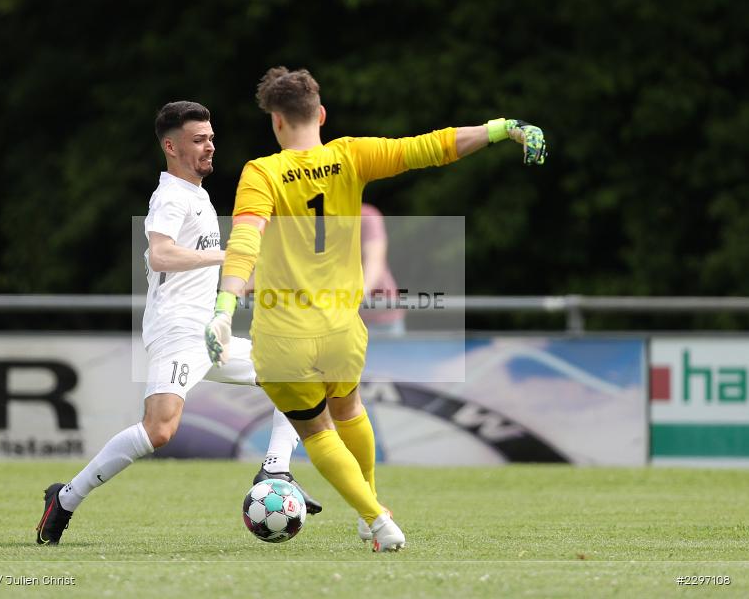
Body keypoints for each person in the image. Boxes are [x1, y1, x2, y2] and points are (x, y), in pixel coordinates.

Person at [205, 67, 546, 552]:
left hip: (283, 334)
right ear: (320, 114)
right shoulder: (351, 155)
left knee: (317, 431)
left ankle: (377, 519)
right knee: (350, 409)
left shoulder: (262, 172)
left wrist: (224, 304)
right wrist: (502, 128)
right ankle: (372, 513)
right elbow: (432, 146)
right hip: (343, 328)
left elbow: (244, 239)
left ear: (276, 123)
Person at [36, 101, 321, 546]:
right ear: (171, 146)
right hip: (177, 329)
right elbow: (160, 254)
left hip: (208, 331)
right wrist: (229, 254)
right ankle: (65, 499)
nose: (210, 146)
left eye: (210, 137)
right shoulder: (170, 196)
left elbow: (202, 267)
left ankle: (275, 469)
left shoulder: (198, 195)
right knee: (159, 430)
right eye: (198, 139)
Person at [360, 203, 405, 336]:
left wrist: (359, 294)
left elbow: (374, 261)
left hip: (381, 318)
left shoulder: (367, 216)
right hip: (336, 321)